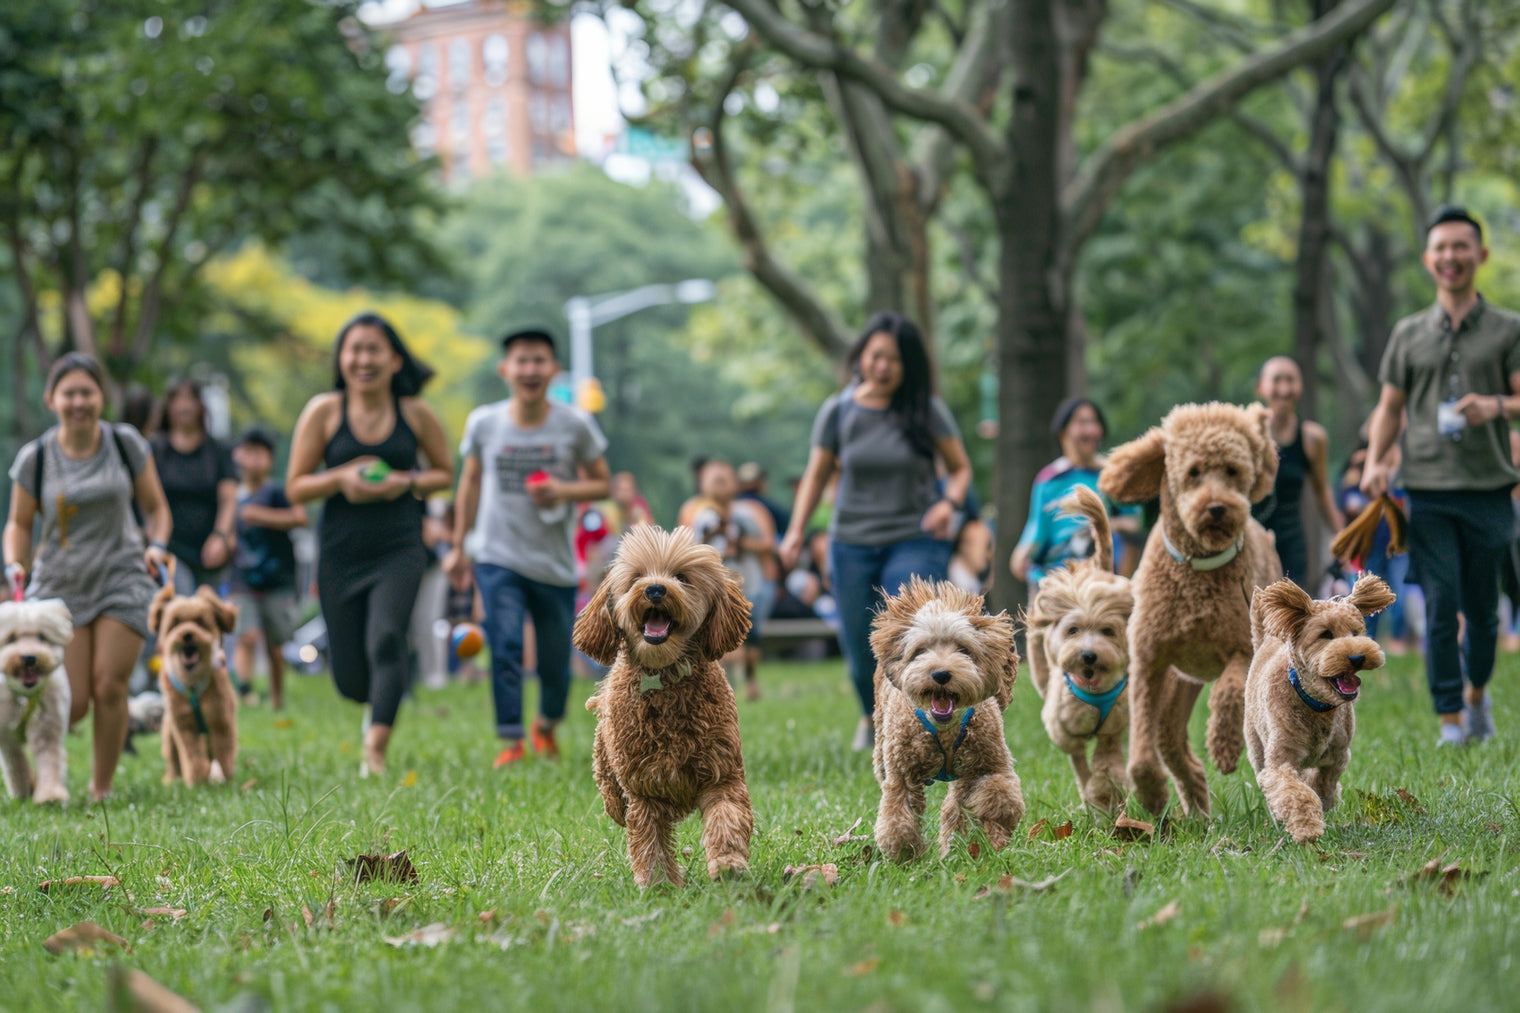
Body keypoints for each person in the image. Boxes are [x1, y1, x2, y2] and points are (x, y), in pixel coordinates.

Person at [1361, 205, 1520, 746]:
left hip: (1490, 489)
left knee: (1481, 613)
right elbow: (1389, 406)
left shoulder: (1508, 329)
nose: (1451, 256)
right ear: (1429, 260)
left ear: (1481, 255)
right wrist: (1377, 462)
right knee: (1438, 603)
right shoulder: (1408, 335)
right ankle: (1450, 719)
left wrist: (1495, 407)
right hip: (1426, 489)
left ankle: (1477, 695)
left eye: (1462, 246)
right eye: (1442, 248)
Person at [779, 312, 972, 750]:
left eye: (894, 359)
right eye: (876, 356)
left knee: (905, 629)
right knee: (857, 641)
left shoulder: (926, 411)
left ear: (909, 366)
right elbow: (815, 475)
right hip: (850, 543)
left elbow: (960, 469)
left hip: (915, 535)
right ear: (861, 357)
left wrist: (949, 503)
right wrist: (795, 533)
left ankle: (919, 720)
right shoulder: (838, 411)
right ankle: (874, 717)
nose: (883, 366)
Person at [286, 312, 455, 775]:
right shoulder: (324, 411)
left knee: (386, 639)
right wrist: (342, 478)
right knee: (350, 681)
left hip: (400, 548)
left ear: (395, 358)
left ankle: (374, 753)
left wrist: (403, 481)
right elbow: (296, 486)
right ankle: (374, 700)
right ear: (341, 358)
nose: (363, 359)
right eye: (353, 349)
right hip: (340, 552)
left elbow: (444, 474)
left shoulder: (416, 413)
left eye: (373, 349)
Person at [4, 353, 174, 800]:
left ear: (103, 397)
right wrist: (16, 564)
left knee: (110, 685)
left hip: (123, 574)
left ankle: (101, 788)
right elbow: (20, 523)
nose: (79, 401)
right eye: (69, 393)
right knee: (73, 699)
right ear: (51, 399)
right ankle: (34, 763)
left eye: (87, 392)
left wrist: (156, 544)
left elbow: (156, 508)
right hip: (61, 584)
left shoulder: (126, 444)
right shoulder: (36, 457)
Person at [444, 327, 610, 767]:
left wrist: (562, 489)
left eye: (539, 360)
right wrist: (459, 546)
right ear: (506, 370)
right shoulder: (484, 422)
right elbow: (470, 483)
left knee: (556, 658)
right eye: (522, 360)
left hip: (553, 563)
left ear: (554, 370)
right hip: (497, 555)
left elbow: (603, 481)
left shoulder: (575, 424)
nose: (530, 369)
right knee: (505, 644)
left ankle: (547, 725)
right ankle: (512, 739)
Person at [1010, 398, 1140, 588]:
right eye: (1082, 422)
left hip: (1104, 568)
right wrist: (1022, 554)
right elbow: (1037, 529)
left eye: (1094, 422)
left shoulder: (1112, 475)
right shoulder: (1049, 479)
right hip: (1058, 572)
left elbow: (1136, 524)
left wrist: (1106, 525)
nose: (1090, 429)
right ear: (1063, 432)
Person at [229, 426, 307, 711]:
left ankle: (277, 698)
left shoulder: (276, 491)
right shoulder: (231, 495)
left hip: (277, 577)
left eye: (260, 453)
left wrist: (259, 516)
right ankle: (246, 692)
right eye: (248, 452)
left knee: (275, 646)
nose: (253, 460)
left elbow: (300, 518)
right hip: (241, 578)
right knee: (246, 636)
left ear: (270, 459)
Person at [1252, 356, 1345, 589]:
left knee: (1291, 617)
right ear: (1260, 387)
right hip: (1251, 539)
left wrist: (1342, 537)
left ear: (1301, 386)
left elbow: (1321, 491)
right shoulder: (1247, 432)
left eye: (1291, 380)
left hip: (1292, 542)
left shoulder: (1313, 438)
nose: (1284, 389)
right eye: (1277, 380)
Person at [689, 459, 775, 701]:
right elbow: (694, 549)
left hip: (749, 581)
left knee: (751, 634)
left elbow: (767, 544)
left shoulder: (746, 514)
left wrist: (741, 544)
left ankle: (750, 680)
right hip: (716, 585)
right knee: (716, 632)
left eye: (724, 479)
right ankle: (722, 683)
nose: (719, 484)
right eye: (714, 479)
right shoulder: (701, 517)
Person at [149, 376, 239, 596]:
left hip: (209, 551)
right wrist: (153, 541)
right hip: (169, 550)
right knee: (180, 608)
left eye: (190, 399)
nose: (184, 406)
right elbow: (146, 499)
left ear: (200, 405)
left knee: (208, 614)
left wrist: (221, 536)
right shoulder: (155, 449)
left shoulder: (217, 450)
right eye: (177, 399)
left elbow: (229, 499)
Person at [1336, 444, 1409, 652]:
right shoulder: (1352, 490)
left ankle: (1397, 642)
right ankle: (1368, 642)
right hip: (1369, 552)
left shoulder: (1394, 486)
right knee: (1368, 598)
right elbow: (1346, 518)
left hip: (1396, 551)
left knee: (1398, 597)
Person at [949, 516, 994, 594]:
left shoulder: (974, 584)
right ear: (966, 546)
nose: (990, 555)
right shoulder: (959, 590)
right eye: (987, 546)